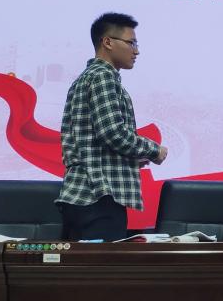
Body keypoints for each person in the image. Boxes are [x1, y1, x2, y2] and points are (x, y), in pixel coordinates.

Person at [57, 12, 166, 241]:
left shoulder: (87, 77)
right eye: (131, 43)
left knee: (83, 264)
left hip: (83, 196)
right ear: (107, 42)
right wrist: (154, 150)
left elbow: (94, 140)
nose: (136, 51)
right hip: (98, 197)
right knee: (102, 264)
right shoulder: (102, 77)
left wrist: (131, 158)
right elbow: (113, 133)